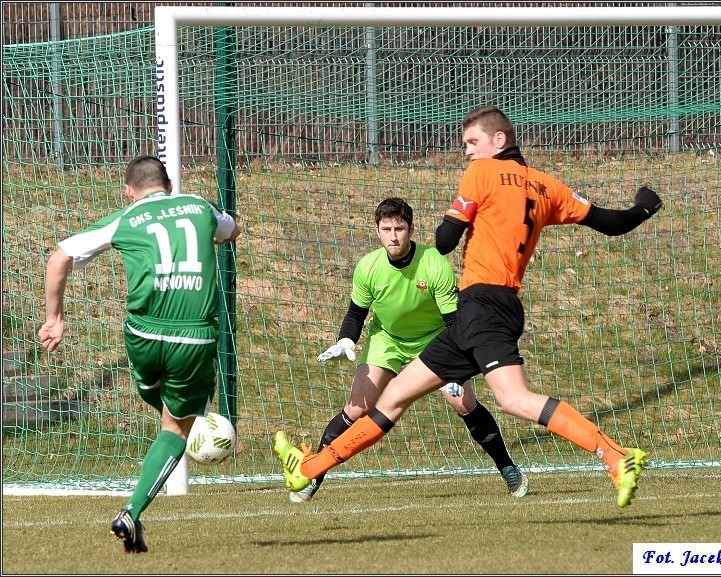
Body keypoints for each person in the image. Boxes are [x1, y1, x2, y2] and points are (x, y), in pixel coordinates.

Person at [275, 105, 663, 508]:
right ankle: (308, 467)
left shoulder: (483, 173)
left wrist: (462, 217)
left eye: (472, 143)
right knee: (391, 399)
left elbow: (444, 240)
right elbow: (615, 223)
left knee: (513, 399)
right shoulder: (548, 188)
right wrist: (645, 204)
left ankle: (614, 455)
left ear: (499, 140)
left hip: (484, 305)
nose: (467, 152)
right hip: (484, 310)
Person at [37, 155, 241, 553]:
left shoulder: (127, 218)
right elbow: (231, 230)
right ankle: (132, 510)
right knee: (176, 426)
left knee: (161, 402)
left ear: (129, 191)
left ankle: (174, 424)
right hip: (193, 338)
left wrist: (55, 318)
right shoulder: (199, 206)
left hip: (142, 335)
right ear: (168, 184)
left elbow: (58, 257)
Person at [290, 197, 528, 503]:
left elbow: (455, 321)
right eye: (386, 228)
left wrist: (464, 362)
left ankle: (508, 469)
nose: (393, 235)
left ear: (411, 229)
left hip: (436, 340)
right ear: (377, 231)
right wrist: (346, 340)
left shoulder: (433, 262)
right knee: (356, 408)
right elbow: (355, 314)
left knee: (463, 401)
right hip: (386, 340)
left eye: (399, 228)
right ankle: (312, 476)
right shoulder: (368, 267)